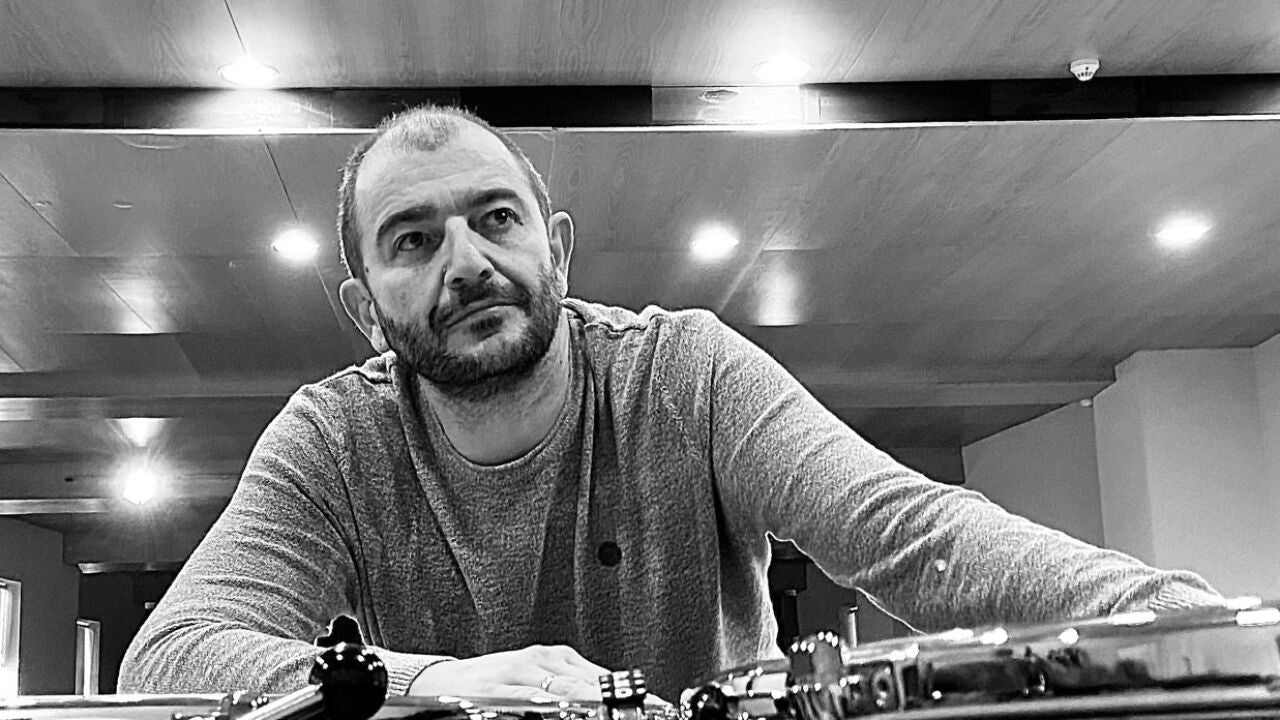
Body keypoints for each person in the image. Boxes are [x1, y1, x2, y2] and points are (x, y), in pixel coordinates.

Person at [118, 105, 1220, 702]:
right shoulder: (331, 439)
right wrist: (435, 683)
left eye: (495, 219)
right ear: (366, 310)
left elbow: (911, 536)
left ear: (554, 250)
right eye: (413, 240)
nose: (467, 263)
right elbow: (174, 655)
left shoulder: (684, 371)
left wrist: (1194, 631)